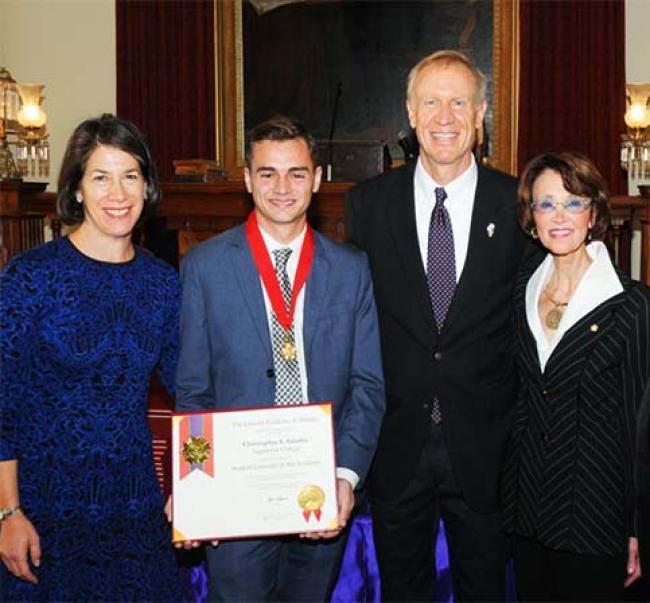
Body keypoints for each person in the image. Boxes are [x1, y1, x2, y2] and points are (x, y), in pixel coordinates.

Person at [174, 115, 385, 601]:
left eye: (296, 173)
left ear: (317, 178)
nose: (282, 187)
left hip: (319, 491)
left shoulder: (352, 271)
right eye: (267, 173)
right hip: (236, 499)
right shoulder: (205, 268)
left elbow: (368, 386)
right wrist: (196, 488)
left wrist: (345, 477)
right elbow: (193, 392)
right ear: (248, 180)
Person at [345, 50, 528, 601]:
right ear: (409, 111)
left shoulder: (517, 204)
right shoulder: (367, 205)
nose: (444, 116)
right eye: (431, 101)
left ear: (480, 114)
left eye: (458, 102)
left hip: (486, 447)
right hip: (397, 446)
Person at [0, 114, 184, 600]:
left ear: (147, 187)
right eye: (100, 177)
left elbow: (192, 391)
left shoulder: (163, 283)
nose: (117, 193)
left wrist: (195, 482)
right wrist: (7, 512)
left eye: (130, 176)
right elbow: (4, 406)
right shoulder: (30, 278)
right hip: (45, 511)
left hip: (134, 505)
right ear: (77, 190)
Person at [502, 151, 650, 601]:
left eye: (574, 202)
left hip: (596, 517)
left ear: (594, 212)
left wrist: (638, 528)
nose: (559, 216)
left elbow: (641, 429)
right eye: (546, 204)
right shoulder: (521, 290)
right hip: (526, 512)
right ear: (531, 217)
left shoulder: (633, 306)